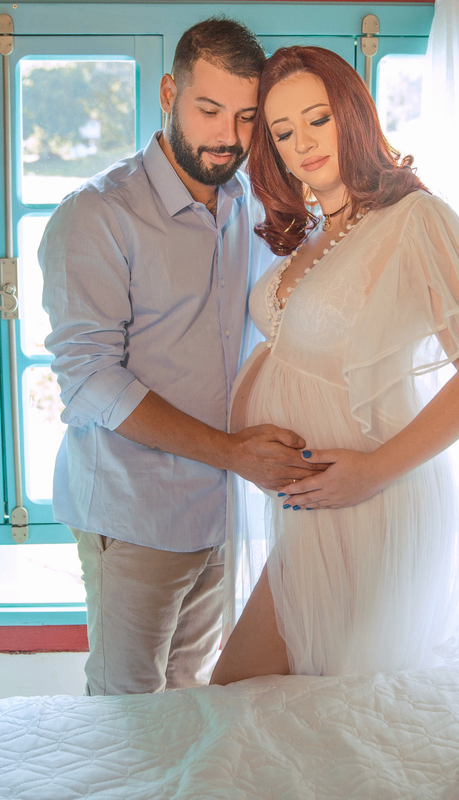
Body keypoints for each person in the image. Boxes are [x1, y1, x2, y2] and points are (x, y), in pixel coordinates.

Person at [210, 46, 459, 683]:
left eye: (318, 118)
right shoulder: (315, 235)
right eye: (283, 132)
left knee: (241, 688)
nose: (303, 143)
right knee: (283, 705)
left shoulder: (414, 220)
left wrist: (373, 473)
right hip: (313, 507)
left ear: (353, 114)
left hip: (368, 498)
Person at [39, 18, 320, 696]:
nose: (228, 136)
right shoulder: (96, 215)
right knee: (126, 704)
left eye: (247, 117)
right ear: (169, 93)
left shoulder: (252, 203)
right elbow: (89, 381)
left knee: (189, 694)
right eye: (209, 109)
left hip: (220, 513)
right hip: (132, 515)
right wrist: (233, 453)